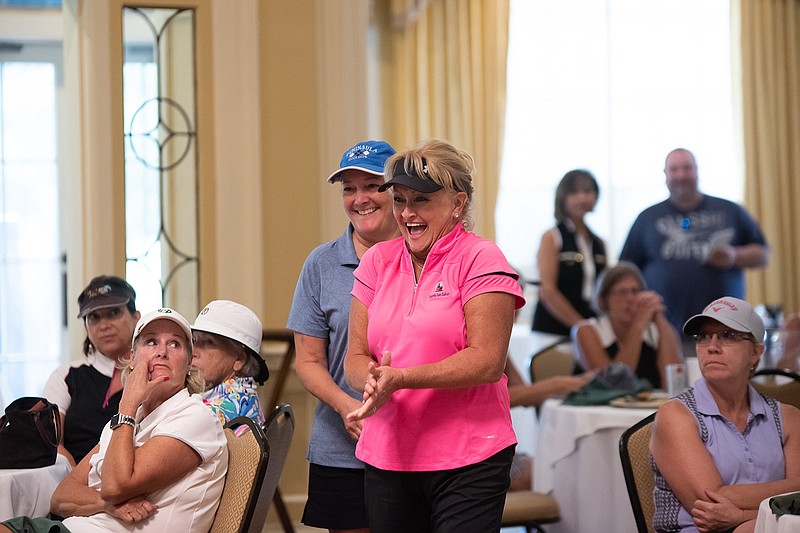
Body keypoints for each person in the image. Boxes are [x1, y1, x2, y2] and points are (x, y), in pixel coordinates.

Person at [344, 138, 525, 532]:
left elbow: (487, 361)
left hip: (469, 459)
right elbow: (355, 357)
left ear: (457, 203)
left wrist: (402, 378)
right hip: (388, 455)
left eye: (422, 200)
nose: (407, 212)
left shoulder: (481, 258)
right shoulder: (377, 261)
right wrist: (373, 381)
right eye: (400, 200)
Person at [1, 308, 228, 533]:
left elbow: (116, 486)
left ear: (189, 363)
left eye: (175, 344)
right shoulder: (125, 421)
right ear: (132, 358)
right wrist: (108, 505)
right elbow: (60, 497)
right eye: (151, 342)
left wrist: (127, 403)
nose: (162, 352)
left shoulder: (195, 416)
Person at [287, 140, 400, 533]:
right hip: (344, 448)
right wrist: (343, 407)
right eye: (349, 189)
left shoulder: (425, 255)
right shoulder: (321, 264)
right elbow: (308, 360)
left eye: (372, 185)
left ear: (396, 190)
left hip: (416, 445)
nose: (360, 199)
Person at [650, 297, 800, 533]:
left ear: (755, 353)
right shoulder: (676, 415)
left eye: (728, 335)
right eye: (703, 336)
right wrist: (787, 494)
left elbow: (798, 502)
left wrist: (741, 514)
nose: (712, 346)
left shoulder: (788, 418)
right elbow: (712, 506)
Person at [619, 148, 769, 340]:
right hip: (663, 335)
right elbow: (625, 270)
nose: (681, 175)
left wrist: (734, 256)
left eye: (687, 168)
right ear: (665, 174)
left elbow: (763, 255)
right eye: (674, 169)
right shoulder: (646, 218)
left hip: (725, 331)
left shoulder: (730, 210)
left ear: (697, 171)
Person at [43, 275, 141, 466]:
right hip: (72, 483)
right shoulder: (67, 376)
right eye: (94, 317)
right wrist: (76, 483)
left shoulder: (153, 376)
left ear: (136, 318)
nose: (104, 325)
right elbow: (51, 443)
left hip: (134, 481)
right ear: (86, 328)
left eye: (113, 313)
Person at [572, 262, 682, 389]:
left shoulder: (655, 332)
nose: (630, 298)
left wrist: (660, 320)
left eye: (635, 291)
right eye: (622, 292)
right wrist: (638, 325)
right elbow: (612, 386)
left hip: (648, 407)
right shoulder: (586, 330)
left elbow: (675, 384)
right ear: (603, 300)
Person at [532, 169, 606, 336]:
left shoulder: (598, 243)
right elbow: (548, 291)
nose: (582, 197)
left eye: (588, 191)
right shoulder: (552, 237)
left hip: (589, 325)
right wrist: (580, 326)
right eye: (574, 192)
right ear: (563, 197)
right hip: (552, 329)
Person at [191, 299, 269, 426]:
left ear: (239, 359)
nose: (193, 351)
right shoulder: (243, 393)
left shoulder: (226, 407)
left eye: (208, 342)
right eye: (194, 340)